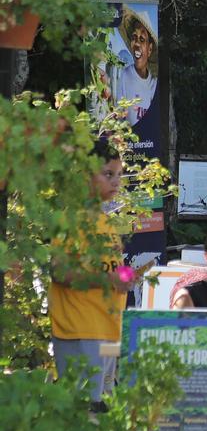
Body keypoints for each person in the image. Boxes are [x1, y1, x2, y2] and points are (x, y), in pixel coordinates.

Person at [49, 138, 132, 414]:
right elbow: (59, 271)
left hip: (109, 331)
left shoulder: (106, 223)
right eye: (108, 174)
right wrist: (106, 281)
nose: (115, 182)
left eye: (119, 175)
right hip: (81, 331)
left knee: (103, 409)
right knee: (82, 413)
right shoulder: (73, 218)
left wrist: (126, 275)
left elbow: (112, 267)